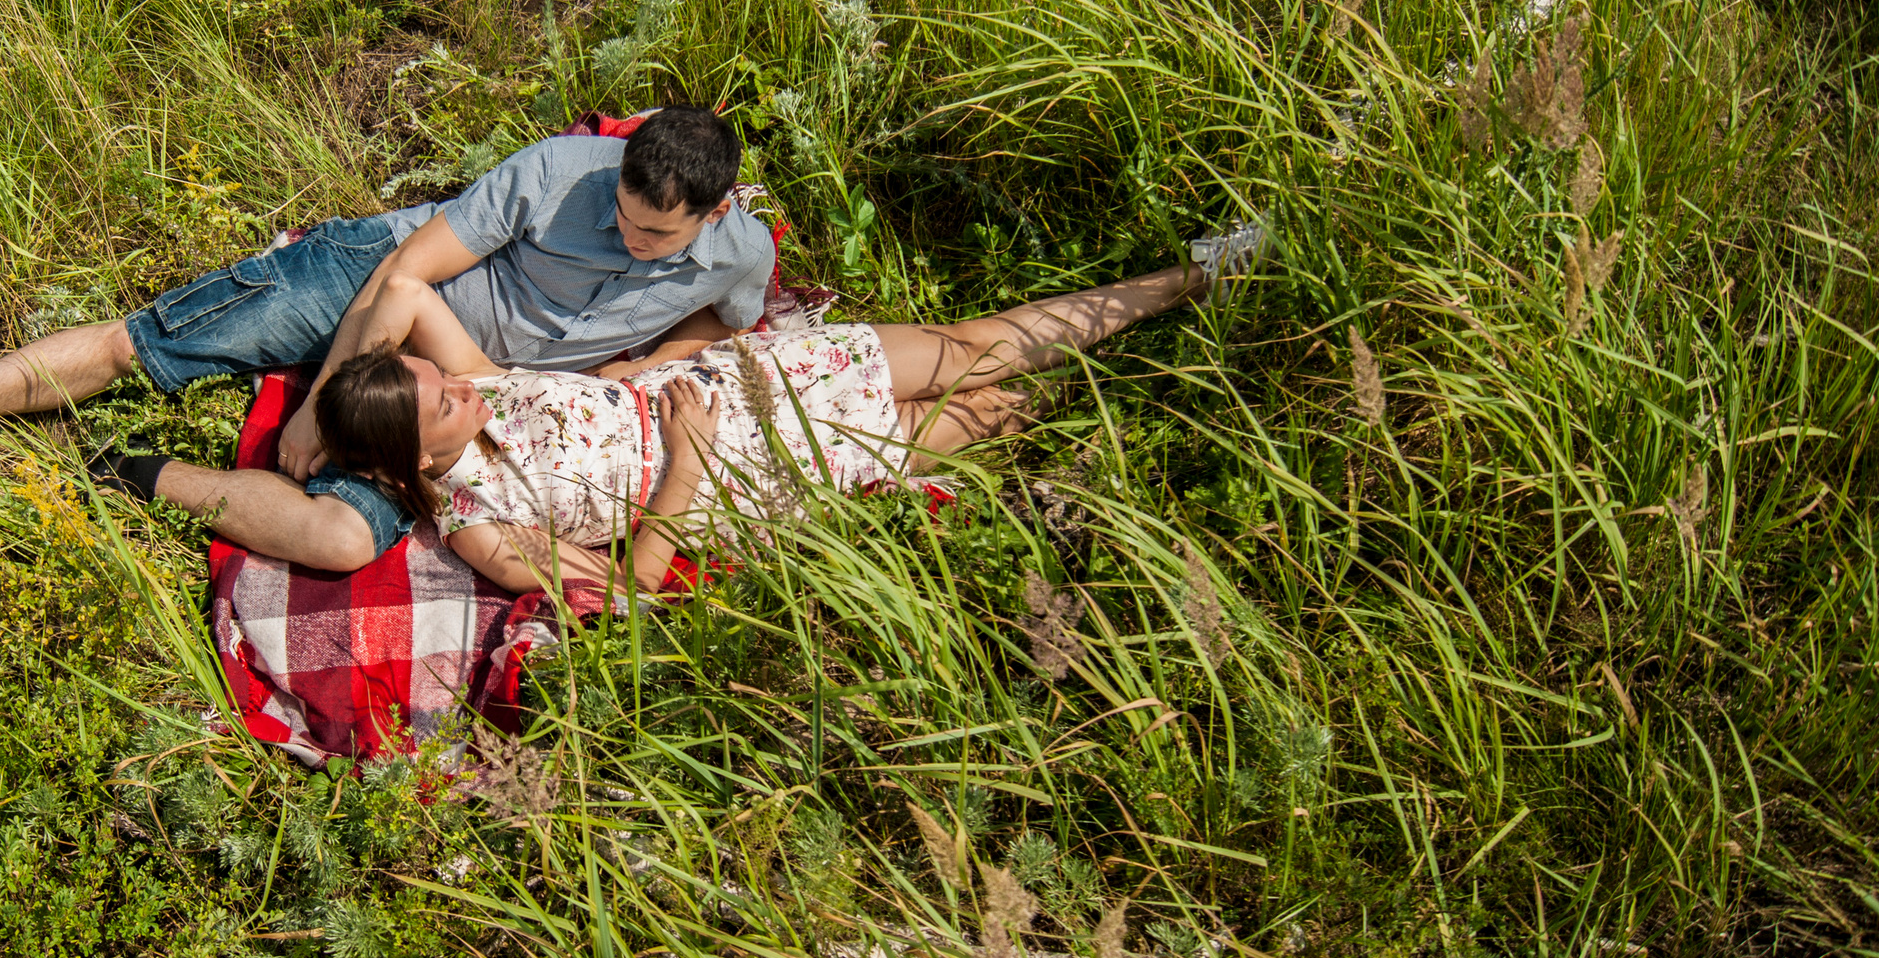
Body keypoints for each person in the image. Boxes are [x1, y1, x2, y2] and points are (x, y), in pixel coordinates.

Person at [0, 108, 775, 571]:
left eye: (657, 239)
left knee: (345, 540)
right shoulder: (557, 174)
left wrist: (647, 363)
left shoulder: (743, 254)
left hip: (475, 388)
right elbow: (406, 276)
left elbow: (724, 317)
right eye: (621, 218)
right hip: (385, 286)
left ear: (717, 209)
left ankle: (124, 469)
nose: (630, 241)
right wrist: (319, 405)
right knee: (143, 349)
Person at [309, 224, 1269, 599]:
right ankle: (1159, 383)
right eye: (442, 401)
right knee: (999, 412)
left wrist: (314, 409)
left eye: (443, 378)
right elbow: (636, 581)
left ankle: (1187, 279)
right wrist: (684, 465)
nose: (463, 384)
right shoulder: (485, 528)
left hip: (761, 379)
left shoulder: (485, 386)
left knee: (970, 343)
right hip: (751, 467)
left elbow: (411, 294)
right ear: (416, 457)